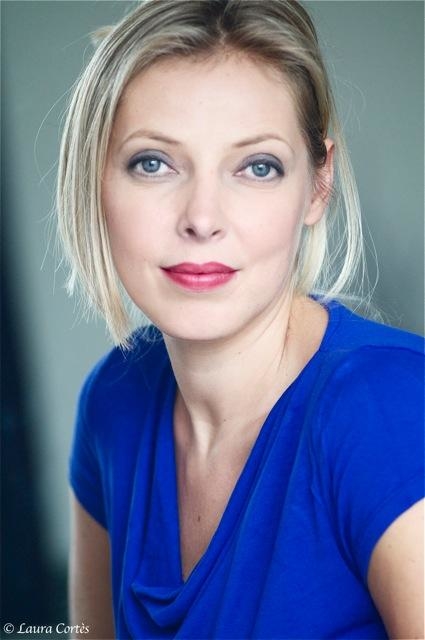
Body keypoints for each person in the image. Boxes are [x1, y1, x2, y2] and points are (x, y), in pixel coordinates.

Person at [57, 1, 424, 638]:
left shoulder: (391, 409)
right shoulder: (113, 401)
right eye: (153, 162)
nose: (202, 218)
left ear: (317, 186)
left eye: (257, 167)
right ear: (95, 179)